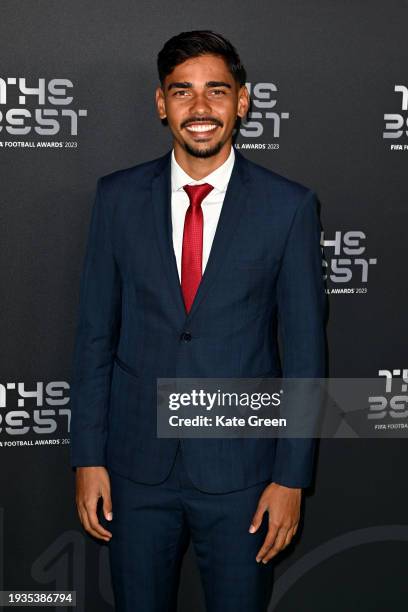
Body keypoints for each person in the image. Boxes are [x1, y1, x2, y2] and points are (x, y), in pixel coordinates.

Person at [70, 29, 327, 612]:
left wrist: (291, 479)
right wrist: (88, 457)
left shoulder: (288, 207)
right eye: (182, 92)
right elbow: (93, 337)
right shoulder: (116, 199)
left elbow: (307, 353)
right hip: (135, 475)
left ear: (243, 100)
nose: (201, 108)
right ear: (161, 104)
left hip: (244, 477)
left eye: (217, 90)